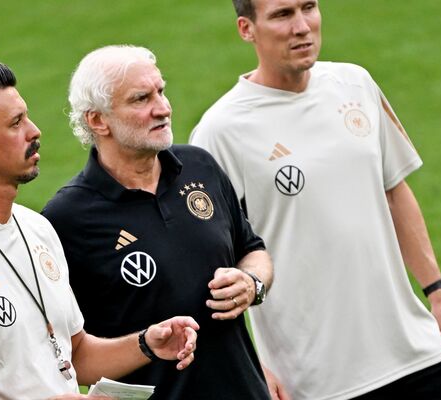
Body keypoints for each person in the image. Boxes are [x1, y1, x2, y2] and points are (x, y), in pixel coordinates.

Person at [189, 1, 441, 399]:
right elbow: (208, 265)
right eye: (283, 15)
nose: (302, 26)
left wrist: (439, 297)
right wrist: (252, 364)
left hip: (416, 352)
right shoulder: (220, 132)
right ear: (246, 29)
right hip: (318, 382)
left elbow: (395, 192)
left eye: (309, 7)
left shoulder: (355, 84)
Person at [0, 62, 199, 400]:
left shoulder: (38, 229)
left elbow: (73, 354)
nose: (34, 131)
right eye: (16, 123)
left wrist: (146, 343)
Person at [41, 45, 275, 400]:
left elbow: (252, 250)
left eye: (161, 92)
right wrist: (145, 344)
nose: (163, 108)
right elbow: (67, 357)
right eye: (140, 99)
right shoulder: (66, 219)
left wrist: (252, 283)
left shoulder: (200, 167)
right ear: (97, 120)